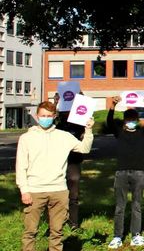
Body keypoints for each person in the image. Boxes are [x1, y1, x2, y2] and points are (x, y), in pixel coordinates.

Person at [16, 101, 94, 251]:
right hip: (34, 190)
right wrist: (24, 189)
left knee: (57, 232)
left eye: (49, 116)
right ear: (37, 116)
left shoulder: (64, 136)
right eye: (43, 115)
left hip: (58, 190)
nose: (45, 118)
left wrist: (88, 130)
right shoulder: (26, 138)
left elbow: (84, 148)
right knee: (30, 231)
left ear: (54, 116)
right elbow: (21, 166)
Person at [106, 96, 144, 249]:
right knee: (120, 206)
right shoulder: (119, 133)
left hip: (139, 173)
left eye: (133, 119)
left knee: (136, 205)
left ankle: (136, 235)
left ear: (137, 120)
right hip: (121, 173)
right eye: (128, 119)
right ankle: (117, 236)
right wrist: (113, 106)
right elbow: (110, 121)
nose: (131, 122)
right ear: (124, 121)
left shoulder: (142, 133)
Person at [53, 95, 89, 231]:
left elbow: (85, 128)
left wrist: (80, 97)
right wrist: (55, 103)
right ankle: (57, 222)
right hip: (57, 162)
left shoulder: (78, 123)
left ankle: (73, 223)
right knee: (57, 195)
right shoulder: (59, 124)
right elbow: (50, 118)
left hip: (74, 162)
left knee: (73, 194)